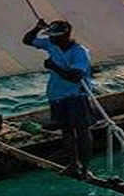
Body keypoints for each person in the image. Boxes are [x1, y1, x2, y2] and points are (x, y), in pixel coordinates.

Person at [23, 18, 94, 176]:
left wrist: (53, 66)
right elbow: (27, 40)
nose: (52, 38)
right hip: (57, 94)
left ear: (65, 35)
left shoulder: (79, 51)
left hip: (76, 95)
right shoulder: (50, 43)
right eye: (51, 35)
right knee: (66, 130)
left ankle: (85, 168)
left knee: (82, 130)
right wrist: (37, 28)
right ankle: (72, 165)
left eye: (55, 36)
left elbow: (76, 76)